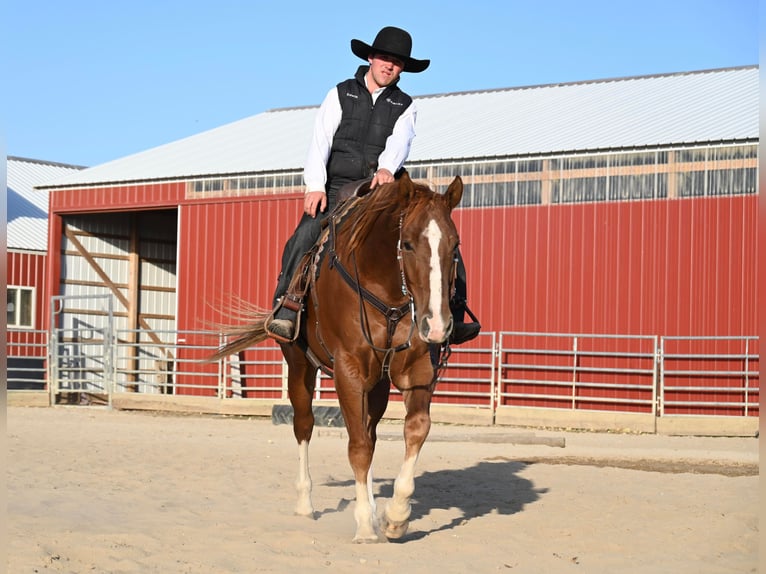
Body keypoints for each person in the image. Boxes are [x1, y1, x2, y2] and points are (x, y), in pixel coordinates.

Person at [267, 26, 480, 345]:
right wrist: (315, 185)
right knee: (305, 236)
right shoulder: (340, 93)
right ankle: (287, 305)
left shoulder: (405, 105)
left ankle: (454, 313)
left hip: (383, 186)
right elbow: (320, 141)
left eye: (397, 62)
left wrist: (386, 169)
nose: (389, 66)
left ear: (403, 68)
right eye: (384, 58)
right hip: (335, 185)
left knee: (442, 243)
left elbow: (400, 142)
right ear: (370, 57)